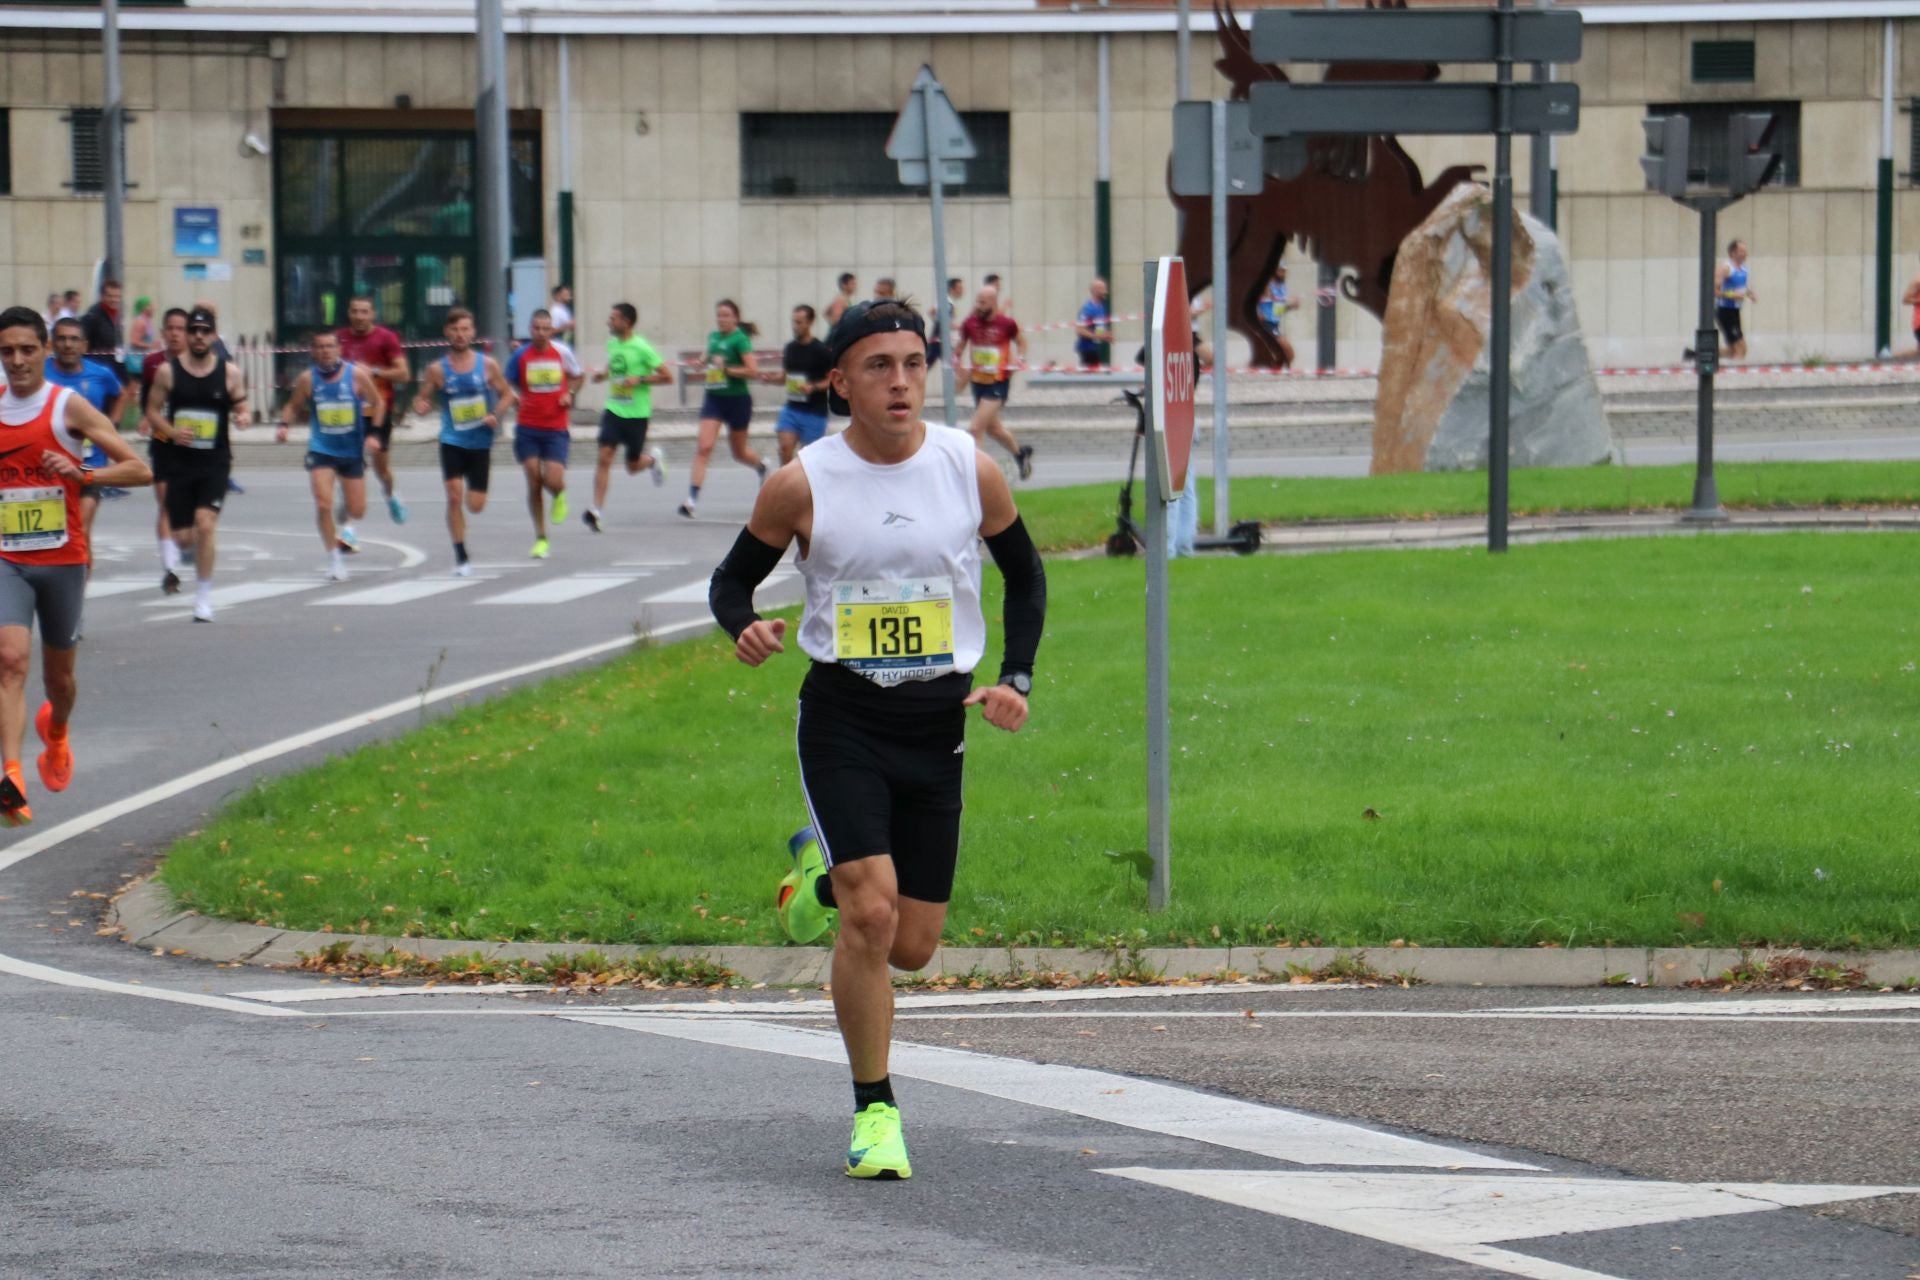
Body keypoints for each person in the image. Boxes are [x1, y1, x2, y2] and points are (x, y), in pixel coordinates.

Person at [708, 298, 1045, 1181]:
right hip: (844, 719)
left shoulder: (968, 469)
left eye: (911, 364)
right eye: (878, 366)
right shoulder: (800, 482)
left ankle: (814, 873)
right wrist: (743, 626)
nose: (899, 381)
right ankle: (876, 1113)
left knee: (912, 944)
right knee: (870, 914)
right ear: (840, 381)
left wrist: (1015, 679)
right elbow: (731, 581)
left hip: (937, 726)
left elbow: (1026, 575)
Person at [0, 306, 153, 825]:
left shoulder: (69, 407)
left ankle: (57, 732)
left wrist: (82, 470)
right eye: (6, 352)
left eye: (26, 349)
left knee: (59, 682)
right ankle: (12, 776)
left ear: (45, 350)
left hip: (63, 559)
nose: (17, 360)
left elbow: (140, 470)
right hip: (9, 559)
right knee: (10, 661)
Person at [144, 305, 250, 622]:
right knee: (183, 537)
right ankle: (188, 550)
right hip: (179, 463)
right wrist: (173, 432)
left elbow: (241, 403)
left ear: (214, 336)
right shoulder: (168, 372)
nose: (199, 336)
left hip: (215, 463)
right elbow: (152, 411)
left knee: (206, 525)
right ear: (187, 335)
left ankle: (203, 597)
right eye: (194, 331)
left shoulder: (229, 372)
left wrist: (243, 415)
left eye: (205, 331)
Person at [413, 308, 516, 575]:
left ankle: (462, 546)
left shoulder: (488, 364)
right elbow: (421, 399)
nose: (460, 335)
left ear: (473, 332)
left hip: (480, 442)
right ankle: (461, 554)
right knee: (454, 495)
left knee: (475, 505)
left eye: (465, 329)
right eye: (455, 330)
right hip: (452, 439)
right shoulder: (437, 369)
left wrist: (495, 414)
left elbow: (507, 395)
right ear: (447, 332)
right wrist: (421, 406)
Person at [278, 330, 385, 582]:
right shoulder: (308, 379)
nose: (325, 351)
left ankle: (345, 506)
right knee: (322, 502)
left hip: (351, 450)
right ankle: (334, 558)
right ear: (313, 351)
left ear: (339, 349)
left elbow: (378, 403)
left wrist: (375, 434)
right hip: (321, 449)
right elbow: (293, 405)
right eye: (320, 347)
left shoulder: (356, 375)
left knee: (357, 510)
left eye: (330, 346)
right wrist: (284, 425)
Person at [43, 317, 131, 557]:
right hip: (50, 466)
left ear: (84, 345)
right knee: (50, 535)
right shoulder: (42, 372)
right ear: (52, 343)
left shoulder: (100, 374)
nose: (68, 345)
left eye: (74, 339)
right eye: (62, 339)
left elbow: (121, 394)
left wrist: (111, 424)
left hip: (89, 466)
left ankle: (79, 591)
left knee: (79, 531)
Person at [505, 309, 583, 559]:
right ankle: (541, 537)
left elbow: (579, 377)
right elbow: (506, 382)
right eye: (536, 328)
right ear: (530, 329)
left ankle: (559, 494)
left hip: (556, 427)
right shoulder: (520, 355)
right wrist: (512, 395)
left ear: (552, 330)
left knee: (552, 480)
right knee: (533, 479)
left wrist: (569, 394)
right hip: (527, 426)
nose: (540, 333)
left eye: (545, 328)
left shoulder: (562, 352)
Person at [584, 302, 669, 532]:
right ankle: (596, 510)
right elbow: (615, 364)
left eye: (613, 319)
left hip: (637, 414)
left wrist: (639, 380)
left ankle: (652, 460)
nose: (608, 323)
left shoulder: (642, 347)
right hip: (614, 409)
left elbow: (667, 376)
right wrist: (603, 375)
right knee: (604, 456)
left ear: (626, 322)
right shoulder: (612, 343)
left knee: (632, 466)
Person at [678, 299, 765, 519]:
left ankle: (760, 465)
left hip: (737, 400)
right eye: (719, 315)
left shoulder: (740, 340)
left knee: (739, 452)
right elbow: (707, 356)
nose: (722, 319)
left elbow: (752, 371)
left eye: (726, 315)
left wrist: (726, 369)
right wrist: (701, 361)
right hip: (714, 399)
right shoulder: (714, 337)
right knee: (704, 447)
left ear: (735, 318)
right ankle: (691, 500)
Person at [336, 295, 411, 522]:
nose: (359, 316)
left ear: (373, 314)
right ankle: (349, 511)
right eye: (355, 311)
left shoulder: (385, 338)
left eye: (364, 311)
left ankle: (391, 495)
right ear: (349, 313)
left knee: (381, 469)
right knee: (349, 465)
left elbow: (404, 375)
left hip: (378, 411)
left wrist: (375, 372)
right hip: (348, 413)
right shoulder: (339, 338)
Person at [951, 285, 1033, 480]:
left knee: (975, 428)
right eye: (977, 301)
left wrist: (1019, 359)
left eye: (983, 302)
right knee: (994, 429)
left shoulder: (1007, 324)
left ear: (994, 303)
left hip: (999, 381)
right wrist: (958, 366)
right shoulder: (970, 323)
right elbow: (959, 348)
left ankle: (977, 476)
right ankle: (1020, 454)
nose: (978, 306)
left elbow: (1022, 342)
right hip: (978, 381)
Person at [140, 308, 190, 592]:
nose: (174, 334)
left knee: (193, 510)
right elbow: (148, 402)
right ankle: (170, 569)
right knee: (166, 504)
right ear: (162, 332)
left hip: (194, 443)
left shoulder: (199, 363)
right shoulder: (152, 364)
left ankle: (186, 542)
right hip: (163, 442)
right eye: (169, 328)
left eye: (180, 328)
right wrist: (147, 419)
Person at [767, 304, 832, 465]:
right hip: (792, 409)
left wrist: (813, 387)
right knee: (784, 448)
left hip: (815, 412)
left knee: (809, 459)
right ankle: (787, 484)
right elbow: (784, 377)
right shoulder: (790, 348)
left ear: (810, 323)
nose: (795, 327)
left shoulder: (821, 350)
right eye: (793, 322)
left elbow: (831, 380)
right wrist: (771, 379)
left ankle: (808, 487)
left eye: (799, 323)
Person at [1714, 239, 1754, 362]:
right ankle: (1735, 375)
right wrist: (1732, 295)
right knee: (1741, 348)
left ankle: (1699, 355)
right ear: (1733, 253)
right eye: (1741, 251)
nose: (1744, 253)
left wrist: (1750, 293)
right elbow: (1715, 291)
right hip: (1725, 311)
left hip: (1735, 311)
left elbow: (1741, 287)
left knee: (1733, 350)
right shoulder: (1725, 268)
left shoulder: (1744, 270)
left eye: (1745, 251)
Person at [1257, 264, 1296, 370]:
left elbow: (1277, 310)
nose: (1284, 274)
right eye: (1281, 271)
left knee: (1285, 356)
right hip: (1265, 324)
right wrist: (1257, 312)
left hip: (1274, 323)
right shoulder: (1266, 285)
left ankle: (1275, 373)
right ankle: (1277, 372)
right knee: (1289, 352)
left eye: (1285, 271)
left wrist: (1290, 306)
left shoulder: (1283, 287)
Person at [79, 280, 123, 365]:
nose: (114, 300)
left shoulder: (116, 314)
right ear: (102, 296)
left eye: (117, 296)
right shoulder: (93, 315)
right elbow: (82, 342)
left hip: (112, 365)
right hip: (95, 365)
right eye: (110, 296)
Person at [1074, 277, 1112, 370]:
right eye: (1103, 289)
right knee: (1092, 375)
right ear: (1095, 291)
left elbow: (1099, 328)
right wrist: (1097, 336)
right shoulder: (1088, 308)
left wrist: (1105, 335)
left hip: (1095, 348)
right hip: (1087, 349)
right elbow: (1080, 330)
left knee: (1095, 373)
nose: (1106, 292)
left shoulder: (1101, 307)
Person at [927, 277, 964, 366]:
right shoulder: (948, 304)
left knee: (926, 365)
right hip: (941, 341)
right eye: (959, 288)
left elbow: (931, 312)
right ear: (952, 289)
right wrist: (961, 327)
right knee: (957, 366)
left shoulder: (946, 301)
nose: (962, 291)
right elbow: (945, 322)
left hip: (938, 341)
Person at [125, 295, 157, 380]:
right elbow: (134, 341)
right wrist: (150, 346)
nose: (153, 308)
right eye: (150, 305)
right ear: (144, 308)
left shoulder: (148, 321)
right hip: (136, 363)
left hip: (144, 361)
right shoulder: (140, 321)